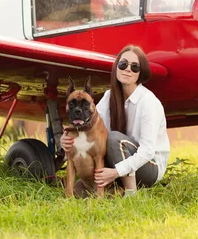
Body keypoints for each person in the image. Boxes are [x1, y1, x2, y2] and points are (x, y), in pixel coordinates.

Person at [60, 44, 170, 197]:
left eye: (135, 67)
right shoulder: (109, 96)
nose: (127, 69)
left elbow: (147, 151)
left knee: (113, 139)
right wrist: (65, 139)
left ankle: (131, 194)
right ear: (116, 67)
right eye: (123, 64)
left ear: (141, 72)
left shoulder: (148, 102)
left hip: (149, 167)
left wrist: (115, 172)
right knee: (81, 191)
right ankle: (114, 190)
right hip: (120, 161)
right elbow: (92, 126)